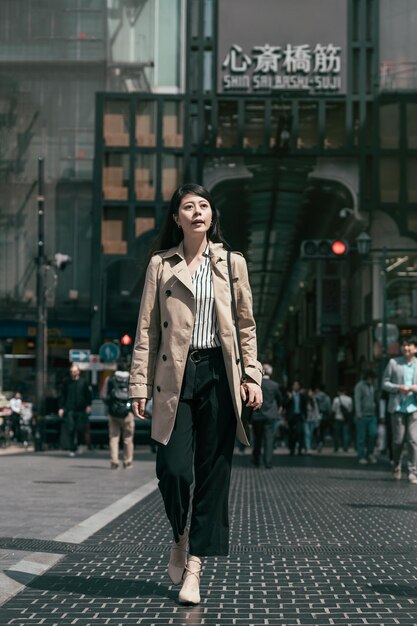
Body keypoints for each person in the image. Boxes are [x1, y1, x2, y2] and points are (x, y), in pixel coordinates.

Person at [129, 183, 262, 605]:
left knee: (212, 473)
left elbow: (245, 325)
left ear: (212, 216)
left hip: (220, 375)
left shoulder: (231, 262)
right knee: (173, 469)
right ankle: (180, 534)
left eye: (204, 205)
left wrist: (252, 375)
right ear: (176, 218)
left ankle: (195, 568)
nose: (197, 212)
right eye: (188, 206)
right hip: (175, 376)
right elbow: (147, 329)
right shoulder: (160, 265)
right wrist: (138, 383)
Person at [383, 336, 417, 483]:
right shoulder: (393, 363)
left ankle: (413, 472)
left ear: (415, 348)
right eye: (404, 345)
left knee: (413, 440)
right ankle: (396, 464)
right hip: (397, 407)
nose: (406, 348)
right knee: (398, 441)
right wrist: (398, 388)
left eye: (409, 345)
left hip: (414, 407)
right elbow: (384, 383)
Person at [104, 364, 135, 469]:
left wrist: (110, 405)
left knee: (114, 437)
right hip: (127, 413)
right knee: (128, 438)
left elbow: (104, 395)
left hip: (113, 413)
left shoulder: (111, 379)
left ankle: (114, 461)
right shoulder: (131, 379)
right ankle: (128, 461)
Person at [251, 364, 282, 468]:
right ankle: (267, 462)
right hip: (269, 415)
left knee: (257, 438)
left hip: (257, 414)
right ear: (271, 373)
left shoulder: (256, 384)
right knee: (268, 439)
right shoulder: (274, 385)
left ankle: (256, 460)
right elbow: (280, 399)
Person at [58, 364, 92, 457]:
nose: (73, 373)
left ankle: (80, 444)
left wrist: (88, 405)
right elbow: (63, 395)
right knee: (71, 428)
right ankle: (72, 448)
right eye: (71, 371)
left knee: (80, 428)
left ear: (78, 372)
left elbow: (88, 394)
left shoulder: (83, 382)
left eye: (75, 371)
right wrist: (61, 408)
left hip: (81, 409)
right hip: (69, 409)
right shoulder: (66, 382)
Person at [354, 369, 378, 465]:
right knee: (361, 437)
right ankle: (361, 455)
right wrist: (358, 413)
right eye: (371, 379)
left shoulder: (373, 386)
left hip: (372, 414)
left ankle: (370, 453)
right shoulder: (359, 386)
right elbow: (357, 400)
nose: (372, 381)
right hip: (362, 415)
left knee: (373, 434)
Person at [284, 380, 307, 455]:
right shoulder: (289, 395)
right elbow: (285, 405)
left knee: (300, 433)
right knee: (291, 434)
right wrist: (290, 398)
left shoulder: (301, 396)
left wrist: (305, 416)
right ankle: (292, 449)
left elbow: (304, 406)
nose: (296, 386)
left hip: (299, 416)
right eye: (295, 385)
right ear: (292, 386)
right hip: (291, 417)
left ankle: (300, 449)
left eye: (297, 385)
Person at [331, 388, 353, 453]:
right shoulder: (349, 399)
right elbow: (350, 409)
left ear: (338, 392)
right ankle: (345, 447)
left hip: (338, 417)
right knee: (346, 433)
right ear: (345, 392)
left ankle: (336, 447)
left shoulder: (336, 399)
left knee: (336, 434)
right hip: (346, 418)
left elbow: (333, 409)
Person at [314, 385, 332, 452]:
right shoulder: (327, 398)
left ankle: (317, 442)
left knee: (316, 429)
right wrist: (329, 415)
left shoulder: (315, 397)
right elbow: (329, 408)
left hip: (316, 414)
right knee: (322, 430)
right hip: (324, 415)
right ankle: (321, 442)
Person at [304, 389, 320, 454]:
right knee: (307, 434)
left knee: (310, 433)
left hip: (313, 419)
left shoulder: (314, 401)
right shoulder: (305, 401)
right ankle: (308, 448)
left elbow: (316, 411)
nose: (311, 394)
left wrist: (317, 419)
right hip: (306, 419)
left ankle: (309, 446)